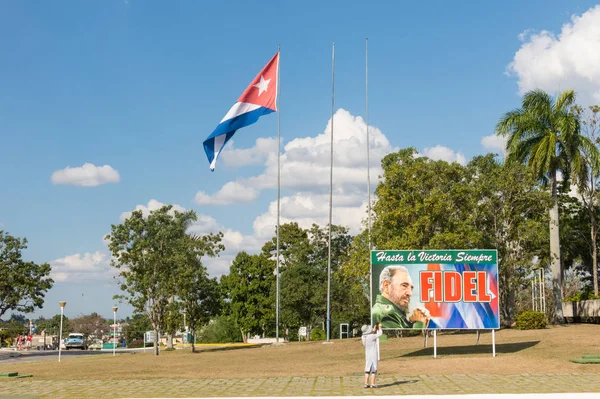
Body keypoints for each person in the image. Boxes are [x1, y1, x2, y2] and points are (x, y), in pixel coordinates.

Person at [361, 323, 382, 388]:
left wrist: (374, 329)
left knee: (367, 369)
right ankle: (372, 383)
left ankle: (366, 383)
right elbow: (380, 334)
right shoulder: (372, 336)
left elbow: (370, 333)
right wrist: (380, 327)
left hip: (367, 354)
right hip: (373, 354)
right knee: (373, 370)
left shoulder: (363, 337)